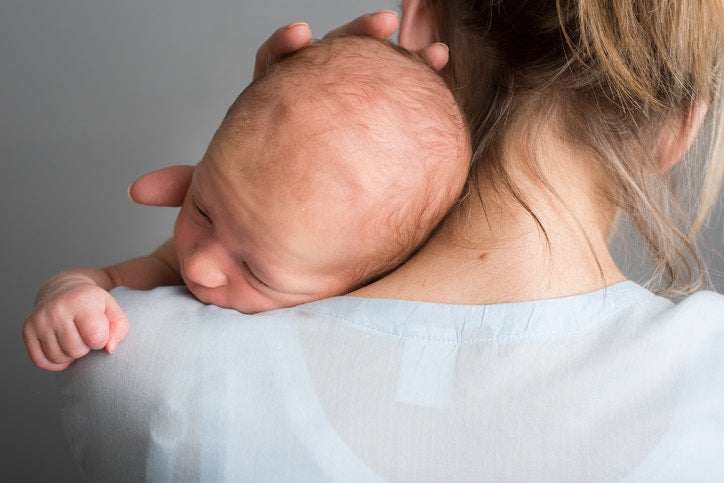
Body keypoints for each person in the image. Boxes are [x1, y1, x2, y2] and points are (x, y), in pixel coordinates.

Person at [59, 1, 724, 480]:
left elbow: (158, 293)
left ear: (421, 20)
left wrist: (241, 189)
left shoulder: (136, 365)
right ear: (680, 128)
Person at [22, 35, 470, 371]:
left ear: (357, 288)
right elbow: (101, 279)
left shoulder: (369, 341)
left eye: (255, 271)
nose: (197, 267)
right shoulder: (177, 266)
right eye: (202, 209)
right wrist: (68, 297)